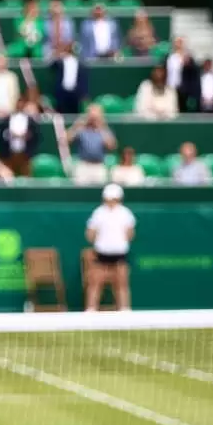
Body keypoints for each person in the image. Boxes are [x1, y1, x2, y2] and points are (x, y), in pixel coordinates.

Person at [85, 183, 135, 311]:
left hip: (119, 254)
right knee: (95, 283)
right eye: (109, 198)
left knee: (122, 284)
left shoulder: (125, 213)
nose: (111, 201)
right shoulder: (99, 213)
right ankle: (91, 310)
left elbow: (130, 234)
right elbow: (90, 234)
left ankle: (124, 310)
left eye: (114, 199)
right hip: (102, 253)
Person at [67, 104, 116, 184]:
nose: (93, 118)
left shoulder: (104, 130)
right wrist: (77, 125)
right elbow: (66, 140)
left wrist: (101, 126)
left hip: (99, 166)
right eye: (91, 114)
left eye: (96, 115)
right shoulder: (81, 128)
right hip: (83, 166)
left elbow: (111, 146)